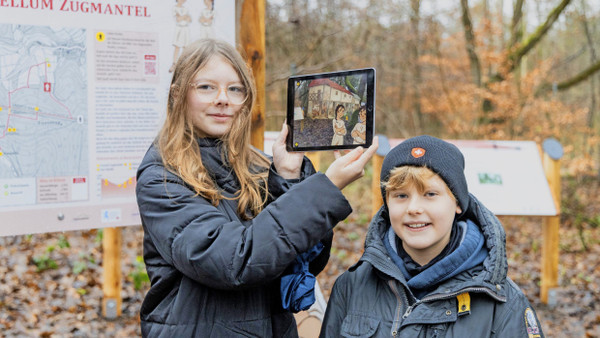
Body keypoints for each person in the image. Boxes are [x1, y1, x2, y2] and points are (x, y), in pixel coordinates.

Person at [135, 38, 378, 337]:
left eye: (235, 89)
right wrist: (327, 187)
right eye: (206, 87)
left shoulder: (261, 165)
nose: (222, 98)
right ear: (177, 95)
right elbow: (234, 262)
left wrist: (287, 179)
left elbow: (307, 262)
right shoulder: (161, 175)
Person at [320, 135, 544, 337]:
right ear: (387, 204)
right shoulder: (352, 287)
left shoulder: (502, 301)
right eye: (401, 195)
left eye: (430, 194)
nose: (414, 208)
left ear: (457, 202)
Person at [170, 0, 191, 72]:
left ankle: (183, 65)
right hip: (179, 28)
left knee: (185, 47)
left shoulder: (185, 8)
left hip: (185, 28)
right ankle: (174, 63)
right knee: (177, 46)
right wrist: (184, 17)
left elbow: (189, 19)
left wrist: (183, 17)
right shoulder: (174, 8)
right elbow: (178, 19)